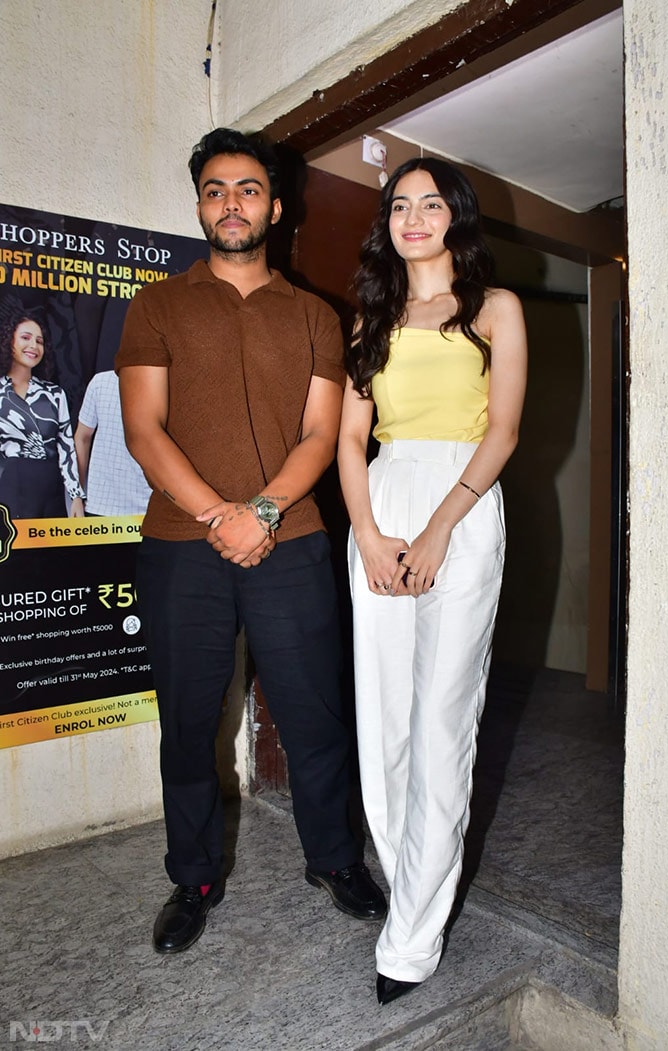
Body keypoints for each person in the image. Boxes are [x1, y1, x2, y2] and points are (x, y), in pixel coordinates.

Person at [115, 128, 386, 956]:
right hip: (179, 545)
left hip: (293, 540)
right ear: (200, 204)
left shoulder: (314, 316)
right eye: (214, 189)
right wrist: (218, 516)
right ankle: (193, 877)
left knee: (314, 716)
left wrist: (261, 513)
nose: (231, 203)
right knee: (189, 724)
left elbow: (319, 432)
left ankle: (334, 859)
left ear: (276, 203)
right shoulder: (158, 305)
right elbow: (143, 430)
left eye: (247, 189)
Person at [338, 157, 527, 1004]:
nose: (415, 215)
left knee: (444, 717)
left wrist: (440, 527)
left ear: (456, 215)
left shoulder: (496, 308)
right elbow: (350, 438)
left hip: (463, 504)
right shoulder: (368, 315)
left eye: (431, 202)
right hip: (380, 502)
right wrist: (371, 536)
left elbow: (507, 430)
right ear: (389, 221)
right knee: (384, 720)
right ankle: (405, 881)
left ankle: (411, 935)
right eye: (400, 203)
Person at [0, 305, 84, 519]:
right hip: (7, 488)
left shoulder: (54, 394)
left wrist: (75, 496)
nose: (33, 346)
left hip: (50, 491)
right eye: (26, 338)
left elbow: (66, 446)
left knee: (49, 552)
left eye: (39, 341)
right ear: (10, 340)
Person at [75, 370, 151, 516]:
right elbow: (82, 437)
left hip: (152, 508)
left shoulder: (168, 386)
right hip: (101, 506)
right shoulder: (100, 382)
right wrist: (77, 495)